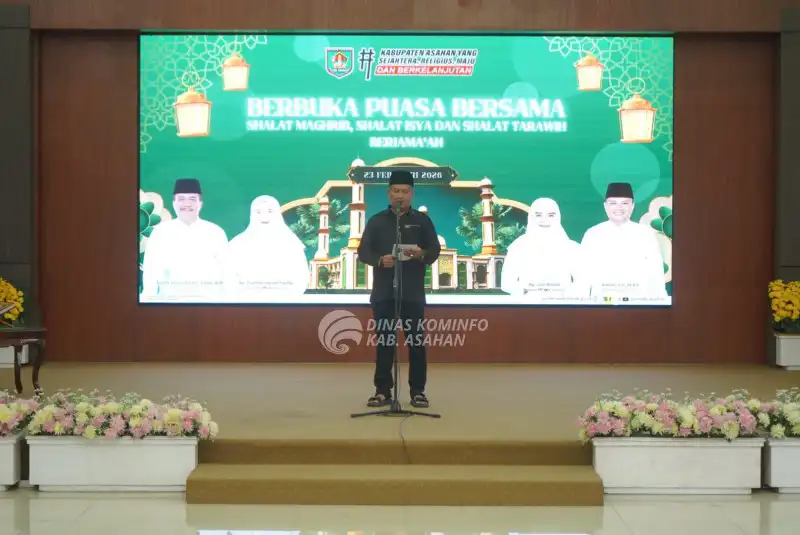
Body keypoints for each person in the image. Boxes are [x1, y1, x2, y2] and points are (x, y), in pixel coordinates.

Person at [357, 170, 441, 408]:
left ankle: (418, 392)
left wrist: (421, 253)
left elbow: (434, 250)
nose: (400, 196)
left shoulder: (422, 221)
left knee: (416, 342)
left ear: (412, 194)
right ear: (389, 193)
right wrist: (379, 260)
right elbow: (363, 252)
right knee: (385, 341)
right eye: (396, 191)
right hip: (384, 293)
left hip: (412, 293)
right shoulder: (377, 221)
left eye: (405, 191)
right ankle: (383, 390)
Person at [140, 178, 229, 300]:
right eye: (181, 199)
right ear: (174, 204)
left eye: (192, 199)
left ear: (200, 204)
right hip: (169, 304)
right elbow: (151, 272)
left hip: (208, 303)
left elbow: (226, 273)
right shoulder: (160, 232)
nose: (187, 204)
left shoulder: (216, 232)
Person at [580, 182, 667, 300]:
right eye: (613, 203)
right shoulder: (593, 234)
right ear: (605, 206)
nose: (619, 208)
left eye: (625, 203)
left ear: (632, 206)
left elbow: (656, 275)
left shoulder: (645, 234)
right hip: (602, 303)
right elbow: (583, 276)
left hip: (638, 303)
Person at [501, 197, 587, 301]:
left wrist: (563, 295)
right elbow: (506, 283)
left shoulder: (572, 248)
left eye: (551, 215)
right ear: (531, 217)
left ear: (558, 217)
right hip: (527, 306)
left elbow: (583, 282)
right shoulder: (518, 247)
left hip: (563, 306)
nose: (544, 220)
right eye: (538, 215)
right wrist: (530, 292)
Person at [226, 195, 310, 300]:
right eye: (258, 212)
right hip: (246, 303)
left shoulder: (291, 243)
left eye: (270, 211)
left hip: (283, 304)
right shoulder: (237, 244)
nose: (264, 217)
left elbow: (301, 278)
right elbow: (228, 278)